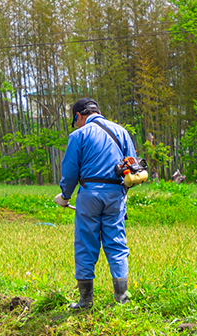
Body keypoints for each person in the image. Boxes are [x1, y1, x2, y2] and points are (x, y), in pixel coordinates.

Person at [54, 98, 136, 310]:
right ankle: (122, 299)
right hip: (116, 194)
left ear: (78, 116)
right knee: (117, 244)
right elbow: (132, 164)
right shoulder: (121, 132)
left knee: (85, 245)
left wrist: (64, 196)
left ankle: (85, 301)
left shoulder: (78, 135)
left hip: (89, 194)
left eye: (76, 121)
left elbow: (70, 170)